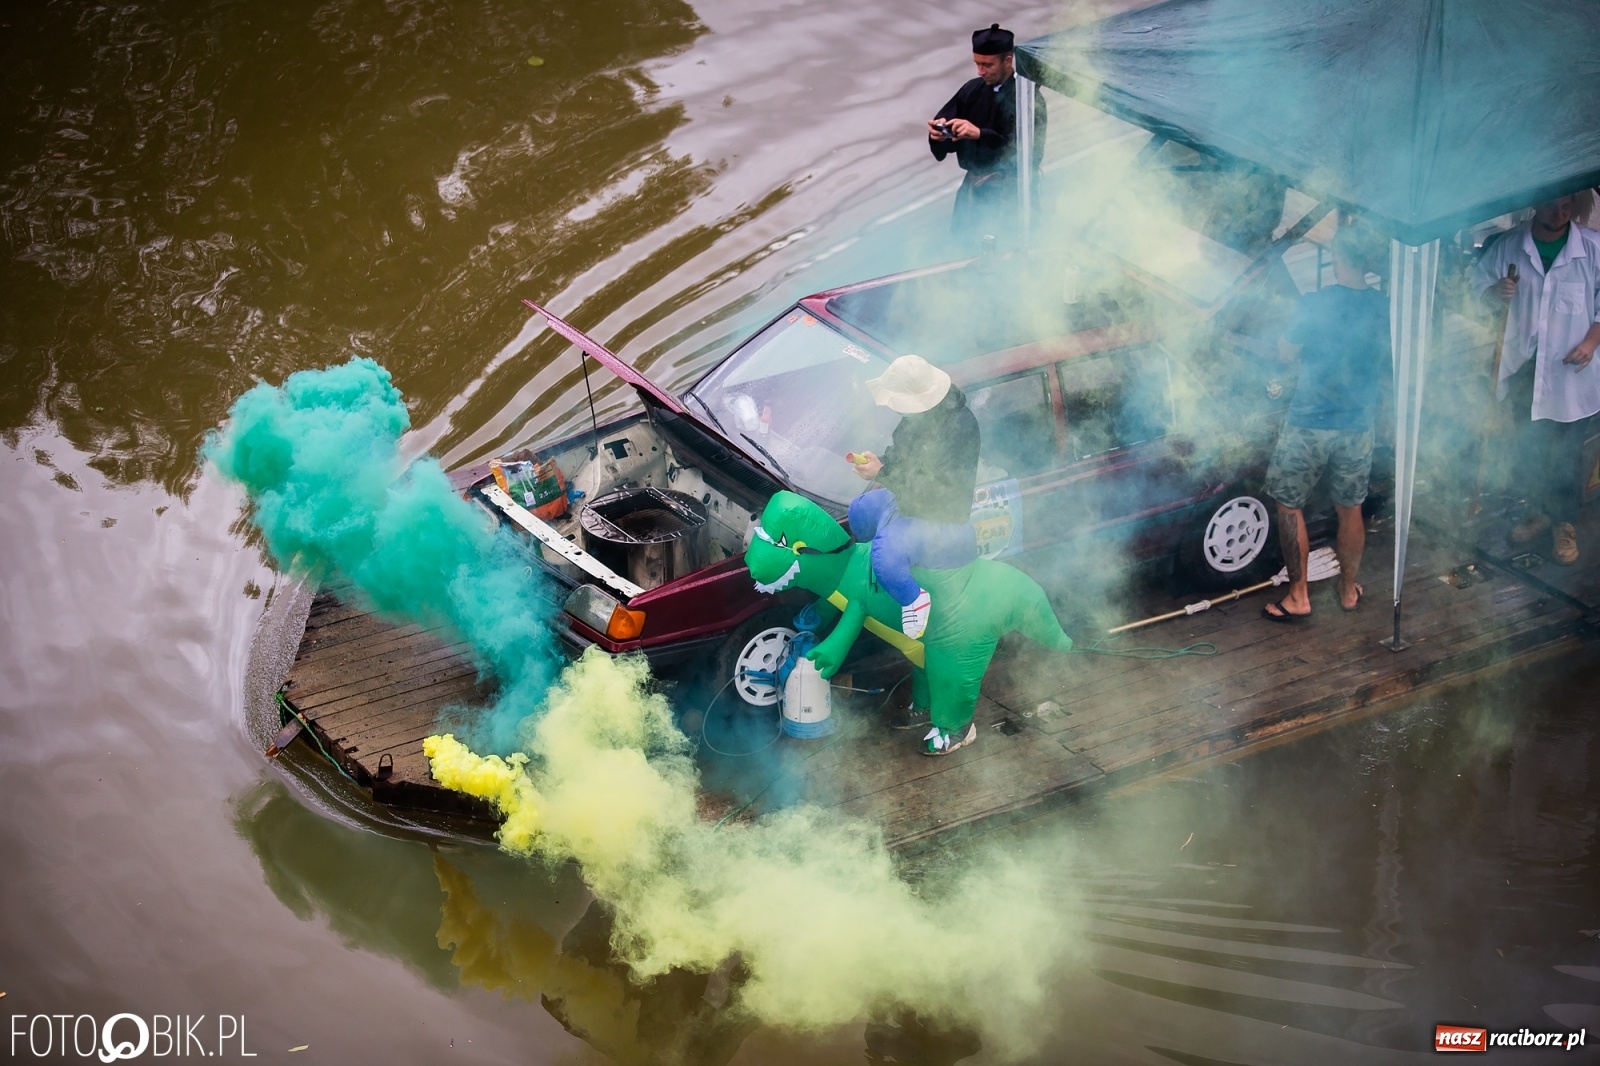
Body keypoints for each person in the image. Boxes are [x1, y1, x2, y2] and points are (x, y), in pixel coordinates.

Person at [1261, 222, 1389, 622]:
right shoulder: (1383, 307)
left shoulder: (1315, 303)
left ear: (1338, 257)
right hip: (1358, 424)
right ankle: (1348, 590)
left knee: (1289, 505)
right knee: (1351, 508)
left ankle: (1298, 596)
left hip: (1310, 421)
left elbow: (1285, 352)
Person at [1472, 194, 1600, 564]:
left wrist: (1591, 342)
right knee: (1531, 447)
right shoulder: (1509, 246)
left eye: (1565, 207)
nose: (1559, 214)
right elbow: (1475, 288)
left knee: (1566, 454)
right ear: (1535, 205)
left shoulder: (1592, 248)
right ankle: (1540, 510)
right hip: (1525, 366)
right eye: (1551, 206)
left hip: (1572, 371)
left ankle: (1563, 522)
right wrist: (1494, 292)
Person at [927, 23, 1046, 245]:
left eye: (987, 65)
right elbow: (946, 127)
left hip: (1012, 194)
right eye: (977, 64)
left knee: (1008, 248)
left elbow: (1029, 154)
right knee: (962, 248)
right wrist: (939, 135)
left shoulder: (1027, 98)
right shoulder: (971, 90)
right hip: (972, 191)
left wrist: (980, 134)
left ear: (1007, 61)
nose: (980, 71)